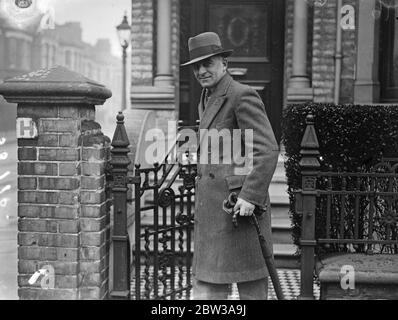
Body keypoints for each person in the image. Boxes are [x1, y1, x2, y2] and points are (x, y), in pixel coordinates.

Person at [181, 32, 279, 300]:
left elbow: (267, 150)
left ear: (224, 63)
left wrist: (250, 195)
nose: (201, 71)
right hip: (213, 209)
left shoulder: (240, 94)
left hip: (239, 209)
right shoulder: (206, 97)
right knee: (208, 284)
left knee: (251, 285)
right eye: (196, 67)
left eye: (208, 63)